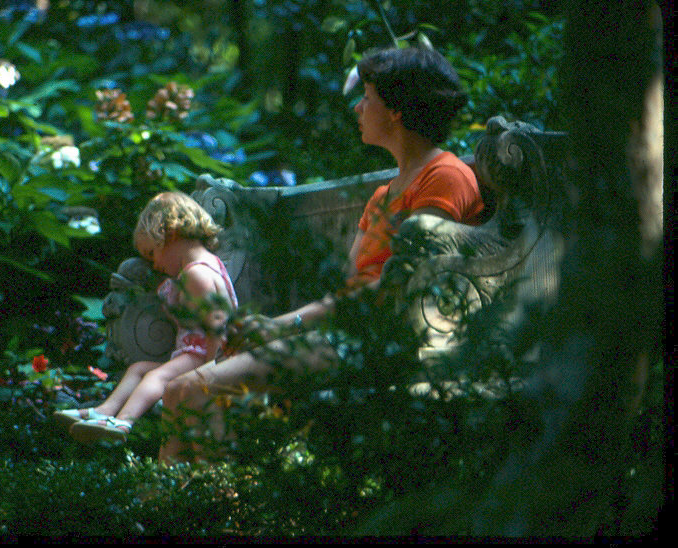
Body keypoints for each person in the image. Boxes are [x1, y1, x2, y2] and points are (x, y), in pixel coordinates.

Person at [158, 46, 484, 463]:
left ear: (397, 110)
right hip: (353, 335)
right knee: (179, 391)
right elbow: (347, 291)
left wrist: (282, 326)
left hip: (396, 340)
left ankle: (211, 501)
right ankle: (186, 501)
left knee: (192, 389)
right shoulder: (384, 195)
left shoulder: (446, 177)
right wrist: (273, 328)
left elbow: (400, 285)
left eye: (367, 96)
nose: (358, 107)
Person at [53, 191, 238, 443]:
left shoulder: (197, 274)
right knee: (139, 368)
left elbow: (218, 326)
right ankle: (102, 411)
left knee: (155, 376)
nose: (154, 264)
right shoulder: (198, 269)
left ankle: (123, 422)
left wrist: (210, 372)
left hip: (205, 356)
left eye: (152, 254)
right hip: (193, 355)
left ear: (170, 235)